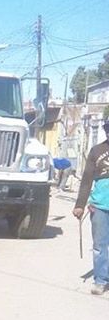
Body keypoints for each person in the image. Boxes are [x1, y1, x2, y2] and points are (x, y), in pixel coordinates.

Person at [73, 117, 109, 295]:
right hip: (100, 205)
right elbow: (87, 179)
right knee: (100, 245)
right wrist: (80, 205)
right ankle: (101, 280)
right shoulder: (97, 151)